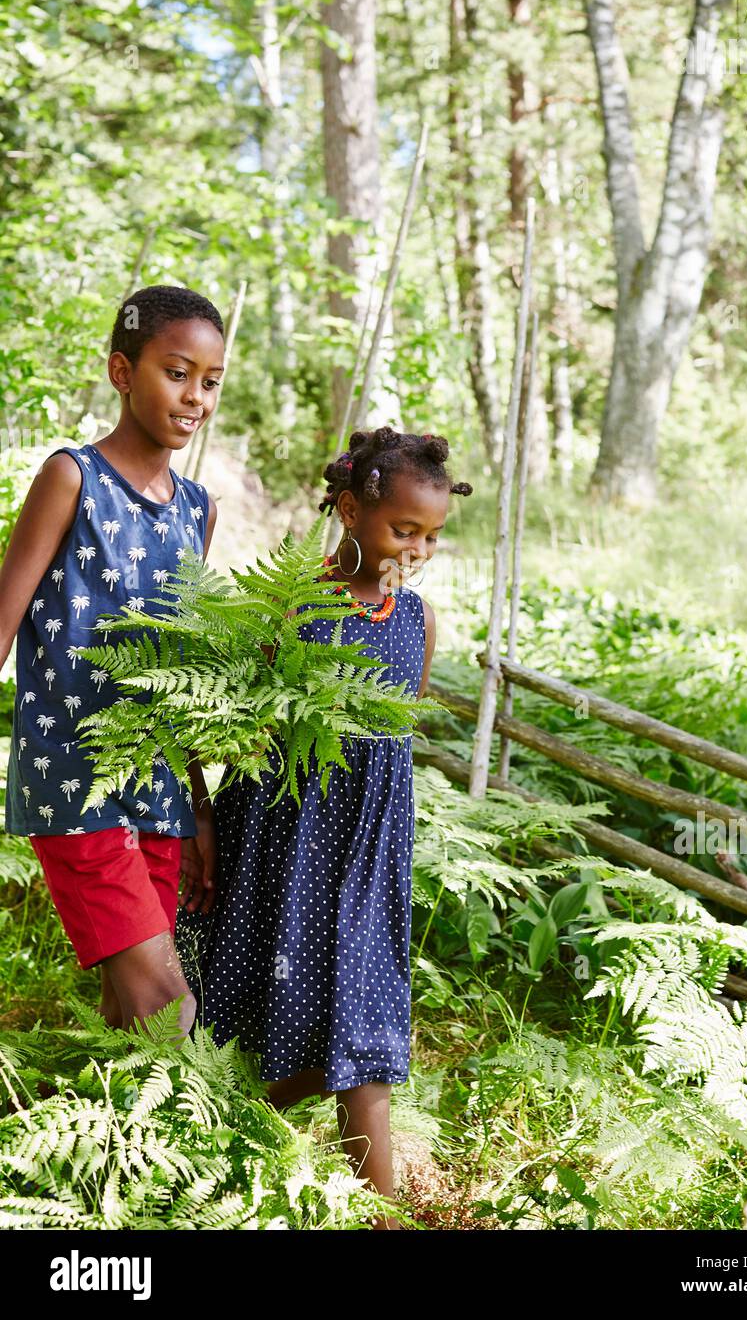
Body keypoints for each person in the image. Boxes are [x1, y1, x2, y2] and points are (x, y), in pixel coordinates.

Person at [176, 425, 473, 1229]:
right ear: (349, 510)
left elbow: (392, 741)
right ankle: (222, 1132)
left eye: (432, 536)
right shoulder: (293, 604)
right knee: (275, 1020)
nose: (416, 548)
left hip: (368, 855)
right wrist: (200, 818)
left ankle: (375, 1213)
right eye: (401, 529)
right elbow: (215, 718)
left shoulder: (417, 620)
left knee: (364, 1031)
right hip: (281, 843)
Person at [0, 284, 223, 1035]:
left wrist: (197, 804)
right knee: (170, 1007)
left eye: (211, 381)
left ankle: (109, 1145)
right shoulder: (73, 478)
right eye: (176, 371)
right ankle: (206, 1150)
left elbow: (182, 669)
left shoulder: (199, 509)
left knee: (129, 1019)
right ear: (123, 373)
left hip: (158, 786)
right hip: (73, 780)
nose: (195, 396)